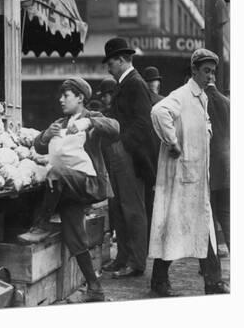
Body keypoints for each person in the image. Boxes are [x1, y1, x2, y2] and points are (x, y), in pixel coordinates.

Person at [17, 77, 119, 303]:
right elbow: (38, 145)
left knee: (55, 173)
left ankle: (42, 224)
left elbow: (115, 128)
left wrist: (88, 123)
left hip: (88, 183)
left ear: (80, 97)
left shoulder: (92, 117)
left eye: (66, 96)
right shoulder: (59, 122)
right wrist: (46, 134)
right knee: (75, 236)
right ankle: (95, 288)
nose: (61, 100)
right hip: (66, 186)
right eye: (61, 95)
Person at [149, 48, 230, 296]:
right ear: (194, 71)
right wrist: (171, 142)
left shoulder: (202, 98)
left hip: (197, 179)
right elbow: (158, 111)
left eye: (213, 72)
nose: (210, 77)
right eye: (206, 71)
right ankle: (161, 282)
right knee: (173, 230)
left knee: (200, 229)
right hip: (181, 179)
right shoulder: (182, 95)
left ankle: (211, 281)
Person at [101, 37, 157, 278]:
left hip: (130, 157)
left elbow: (143, 123)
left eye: (111, 63)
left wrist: (123, 144)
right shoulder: (126, 84)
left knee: (132, 209)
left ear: (122, 60)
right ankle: (122, 258)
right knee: (119, 209)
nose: (108, 68)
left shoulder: (134, 84)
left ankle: (136, 262)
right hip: (120, 153)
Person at [205, 82, 230, 252]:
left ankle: (212, 265)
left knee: (209, 216)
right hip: (226, 165)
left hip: (207, 165)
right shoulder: (227, 102)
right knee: (226, 215)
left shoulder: (202, 101)